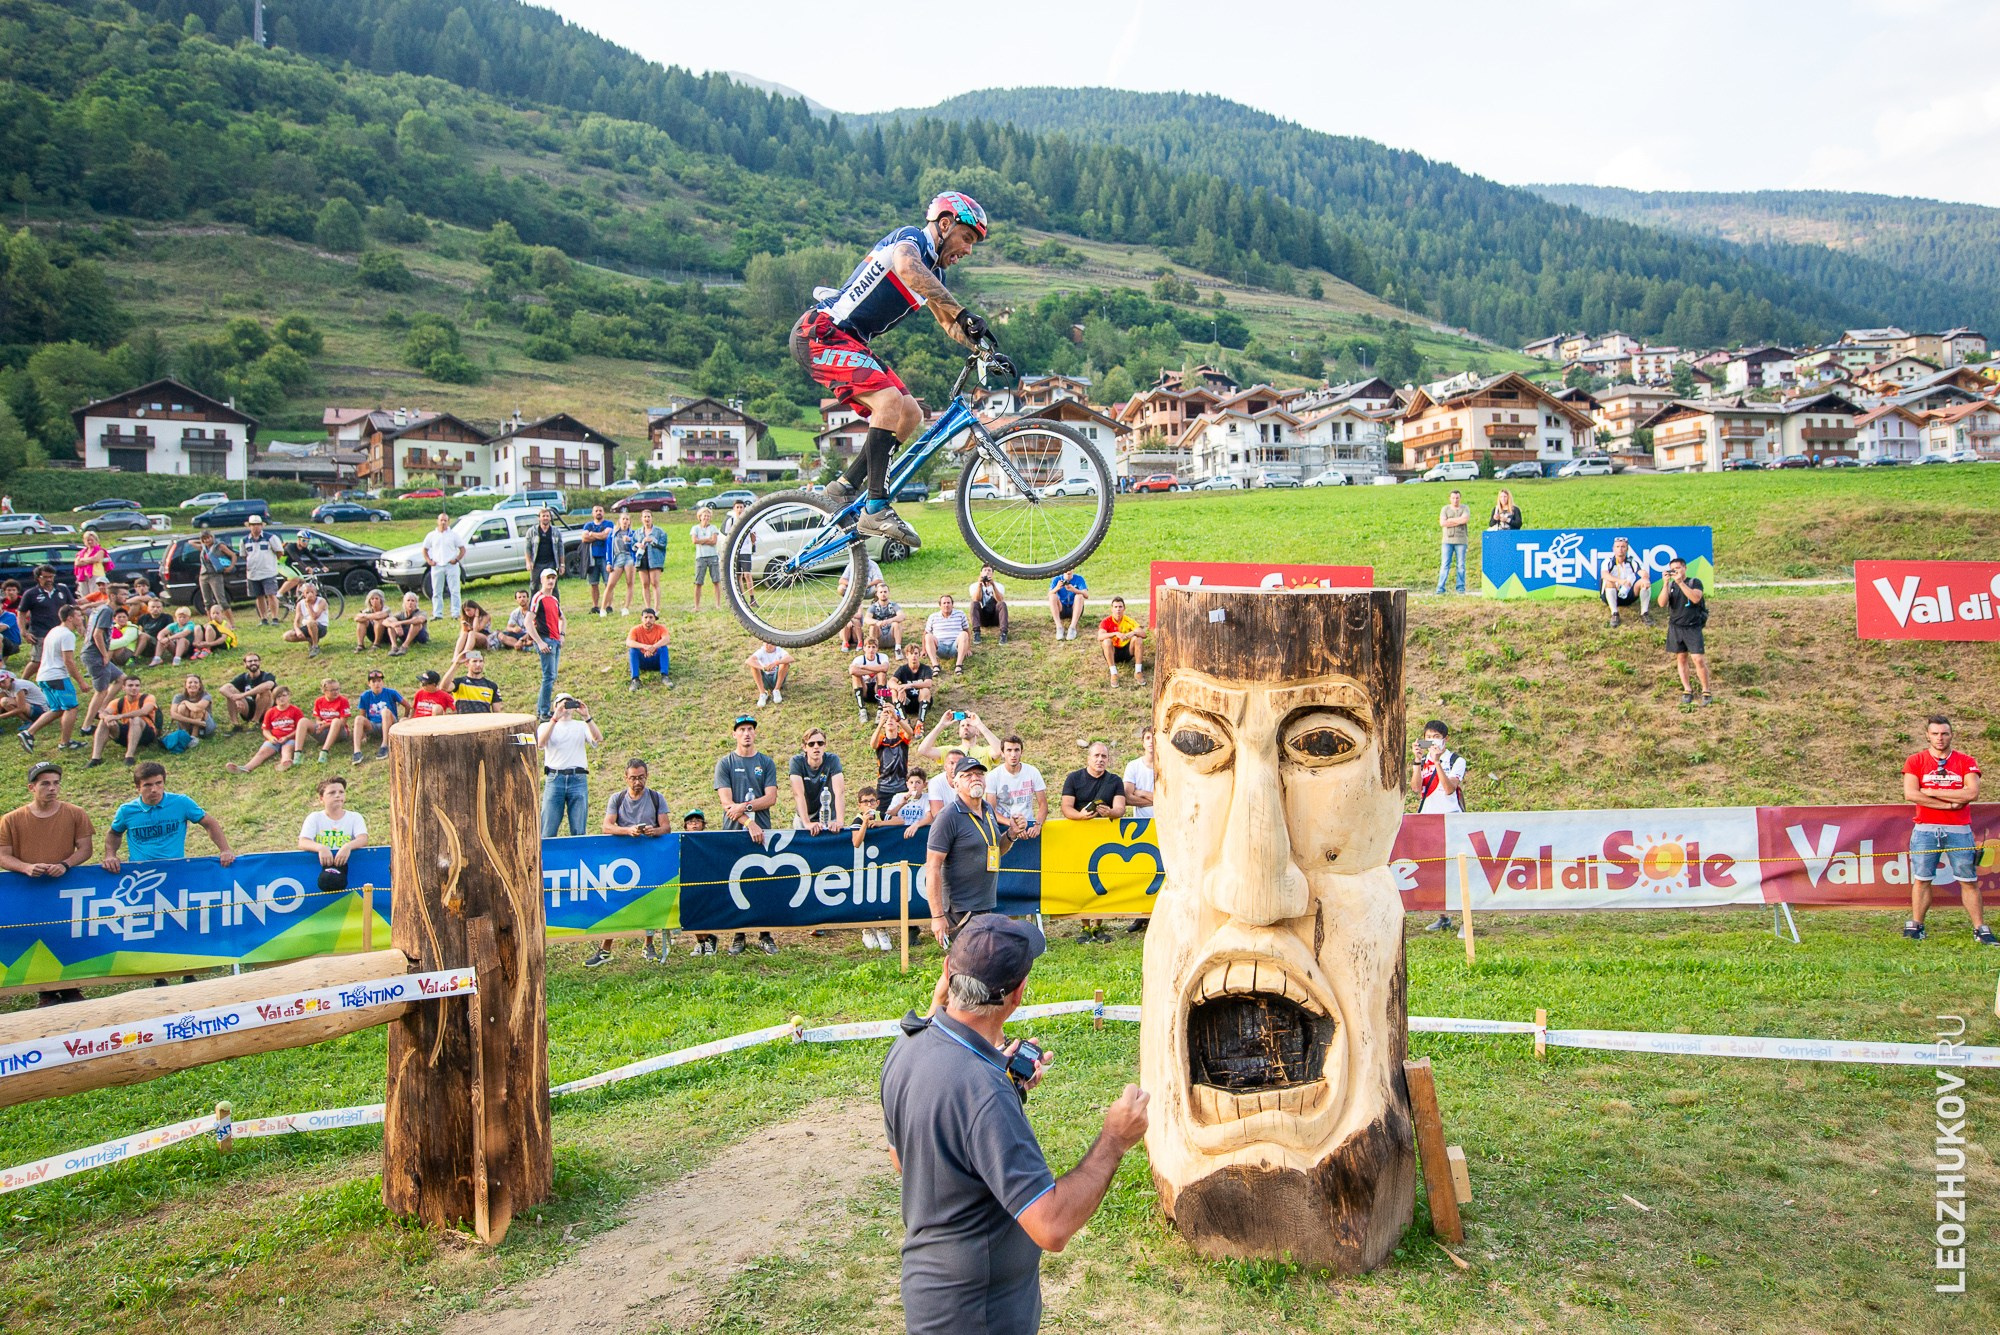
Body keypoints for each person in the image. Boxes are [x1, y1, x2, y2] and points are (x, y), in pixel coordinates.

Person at [880, 917, 1148, 1335]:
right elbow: (1051, 1226)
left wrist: (1002, 1078)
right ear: (1018, 994)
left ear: (948, 973)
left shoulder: (908, 1044)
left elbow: (905, 1160)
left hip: (933, 1296)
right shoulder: (984, 1092)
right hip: (980, 1315)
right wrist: (1114, 1139)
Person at [793, 189, 1007, 552]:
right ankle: (876, 507)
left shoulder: (933, 274)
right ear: (944, 224)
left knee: (909, 414)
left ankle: (842, 488)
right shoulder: (910, 242)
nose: (967, 250)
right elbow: (908, 268)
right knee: (888, 400)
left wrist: (985, 348)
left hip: (851, 341)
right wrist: (963, 312)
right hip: (821, 332)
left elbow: (950, 323)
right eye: (966, 238)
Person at [0, 761, 94, 1005]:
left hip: (66, 886)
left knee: (69, 934)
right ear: (32, 787)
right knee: (36, 937)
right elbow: (2, 854)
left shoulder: (75, 813)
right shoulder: (11, 820)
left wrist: (65, 864)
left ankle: (72, 986)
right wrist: (26, 867)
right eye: (45, 784)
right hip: (29, 889)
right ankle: (45, 990)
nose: (52, 788)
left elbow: (85, 848)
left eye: (56, 783)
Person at [1902, 716, 1990, 944]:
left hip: (1959, 829)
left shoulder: (1965, 761)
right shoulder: (1915, 760)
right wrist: (1948, 804)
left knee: (1968, 879)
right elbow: (1911, 793)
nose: (1940, 738)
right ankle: (1916, 925)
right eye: (1935, 734)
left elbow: (1971, 793)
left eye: (1944, 734)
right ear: (1927, 735)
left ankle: (1980, 928)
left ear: (1951, 735)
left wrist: (1930, 792)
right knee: (1922, 878)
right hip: (1925, 829)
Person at [924, 755, 1012, 944]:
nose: (975, 778)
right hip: (960, 909)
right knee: (965, 966)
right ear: (955, 783)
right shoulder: (948, 817)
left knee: (981, 965)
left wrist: (1011, 834)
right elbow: (932, 867)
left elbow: (995, 850)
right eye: (968, 775)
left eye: (979, 774)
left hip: (985, 903)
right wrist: (937, 917)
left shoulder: (988, 809)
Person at [594, 757, 672, 966]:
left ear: (646, 777)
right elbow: (607, 826)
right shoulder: (617, 799)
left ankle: (648, 945)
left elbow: (666, 827)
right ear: (625, 778)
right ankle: (605, 949)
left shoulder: (656, 798)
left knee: (648, 900)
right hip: (621, 860)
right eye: (633, 778)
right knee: (617, 902)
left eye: (641, 778)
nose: (638, 782)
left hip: (649, 856)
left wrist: (653, 831)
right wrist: (627, 831)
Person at [714, 714, 780, 956]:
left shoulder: (766, 762)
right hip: (734, 832)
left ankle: (765, 934)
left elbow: (771, 798)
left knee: (763, 883)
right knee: (735, 883)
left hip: (761, 831)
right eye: (742, 729)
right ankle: (738, 934)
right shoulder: (725, 763)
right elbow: (726, 803)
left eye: (750, 728)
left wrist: (746, 808)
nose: (746, 733)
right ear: (734, 734)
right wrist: (747, 820)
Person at [104, 760, 238, 871]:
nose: (154, 789)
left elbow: (209, 823)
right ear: (138, 787)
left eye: (158, 783)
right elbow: (114, 833)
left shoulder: (181, 803)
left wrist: (225, 849)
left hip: (175, 869)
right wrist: (110, 855)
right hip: (140, 872)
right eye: (147, 785)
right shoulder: (127, 811)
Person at [1061, 742, 1126, 943]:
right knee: (1082, 880)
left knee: (1102, 880)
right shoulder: (1073, 778)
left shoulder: (1115, 780)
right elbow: (1066, 807)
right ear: (1088, 758)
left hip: (1104, 838)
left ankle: (1099, 925)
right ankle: (1084, 926)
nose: (1100, 760)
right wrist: (1080, 816)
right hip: (1079, 835)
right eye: (1096, 756)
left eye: (1104, 757)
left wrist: (1110, 813)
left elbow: (1120, 809)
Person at [1415, 719, 1470, 933]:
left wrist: (1437, 762)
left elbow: (1449, 789)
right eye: (1428, 737)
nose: (1432, 741)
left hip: (1451, 820)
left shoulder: (1456, 760)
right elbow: (1415, 788)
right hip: (1428, 820)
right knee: (1435, 870)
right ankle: (1443, 916)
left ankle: (1466, 918)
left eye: (1436, 737)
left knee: (1457, 871)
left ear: (1445, 739)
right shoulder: (1423, 760)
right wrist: (1417, 761)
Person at [21, 602, 84, 752]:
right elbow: (68, 660)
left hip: (43, 676)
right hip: (57, 676)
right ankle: (65, 743)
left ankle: (28, 733)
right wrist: (81, 682)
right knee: (71, 708)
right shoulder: (67, 635)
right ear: (69, 618)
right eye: (79, 616)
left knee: (57, 709)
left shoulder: (54, 630)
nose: (81, 618)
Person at [538, 693, 601, 838]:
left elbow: (598, 739)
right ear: (555, 706)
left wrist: (587, 716)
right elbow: (541, 743)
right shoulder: (545, 726)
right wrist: (555, 718)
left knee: (579, 829)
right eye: (562, 704)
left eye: (569, 704)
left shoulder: (581, 726)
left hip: (577, 778)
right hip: (555, 777)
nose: (566, 708)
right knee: (548, 828)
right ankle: (546, 859)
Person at [299, 773, 367, 883]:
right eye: (332, 793)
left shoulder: (355, 817)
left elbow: (363, 839)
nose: (337, 795)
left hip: (348, 870)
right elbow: (303, 842)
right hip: (321, 870)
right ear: (322, 798)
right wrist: (321, 848)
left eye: (341, 792)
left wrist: (348, 847)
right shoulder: (314, 817)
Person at [1662, 556, 1712, 706]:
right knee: (1681, 658)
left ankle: (1706, 690)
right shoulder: (1671, 585)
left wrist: (1680, 583)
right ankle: (1687, 689)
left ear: (1685, 568)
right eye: (1673, 569)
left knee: (1698, 659)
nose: (1676, 571)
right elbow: (1662, 603)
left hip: (1692, 627)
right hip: (1676, 627)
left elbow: (1696, 598)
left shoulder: (1694, 582)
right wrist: (1665, 584)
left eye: (1678, 568)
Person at [76, 592, 126, 736]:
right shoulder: (107, 611)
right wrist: (105, 655)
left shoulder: (102, 609)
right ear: (112, 596)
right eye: (122, 594)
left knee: (121, 678)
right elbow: (97, 634)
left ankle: (101, 709)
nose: (126, 597)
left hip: (95, 654)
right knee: (101, 691)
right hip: (95, 655)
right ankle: (86, 726)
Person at [88, 674, 157, 768]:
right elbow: (104, 713)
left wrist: (118, 716)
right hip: (127, 734)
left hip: (146, 734)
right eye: (130, 685)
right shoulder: (117, 702)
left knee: (135, 719)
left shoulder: (148, 698)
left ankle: (129, 756)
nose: (134, 688)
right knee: (104, 721)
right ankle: (96, 758)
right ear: (123, 688)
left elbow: (144, 711)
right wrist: (106, 718)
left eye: (137, 685)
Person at [989, 735, 1048, 843]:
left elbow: (1043, 804)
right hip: (1003, 827)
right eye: (1009, 750)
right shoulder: (993, 776)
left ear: (1022, 752)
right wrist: (1012, 825)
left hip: (1028, 828)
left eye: (1016, 750)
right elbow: (990, 810)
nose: (1013, 754)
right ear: (1002, 753)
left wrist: (1038, 825)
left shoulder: (1032, 771)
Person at [18, 565, 74, 674]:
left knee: (59, 659)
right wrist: (24, 632)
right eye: (45, 577)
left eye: (51, 577)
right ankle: (22, 682)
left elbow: (72, 607)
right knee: (37, 661)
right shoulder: (31, 593)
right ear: (38, 578)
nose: (49, 580)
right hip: (40, 632)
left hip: (59, 631)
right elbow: (21, 613)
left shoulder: (62, 589)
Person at [790, 727, 846, 833]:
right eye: (811, 744)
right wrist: (807, 823)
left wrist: (840, 821)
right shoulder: (796, 762)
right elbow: (798, 794)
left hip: (828, 817)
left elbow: (840, 792)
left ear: (825, 745)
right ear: (804, 747)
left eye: (820, 743)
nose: (816, 747)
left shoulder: (833, 760)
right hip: (804, 818)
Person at [528, 569, 564, 719]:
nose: (551, 581)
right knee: (548, 676)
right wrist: (539, 642)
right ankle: (543, 711)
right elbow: (528, 621)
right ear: (542, 580)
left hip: (554, 640)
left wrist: (561, 634)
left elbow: (562, 618)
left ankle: (543, 709)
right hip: (546, 639)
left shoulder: (554, 599)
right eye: (548, 578)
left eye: (553, 578)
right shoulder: (538, 598)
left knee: (551, 676)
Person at [302, 677, 359, 766]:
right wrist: (319, 724)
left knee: (336, 721)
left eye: (337, 689)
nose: (336, 692)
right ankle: (297, 753)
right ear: (324, 691)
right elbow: (317, 718)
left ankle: (324, 751)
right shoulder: (319, 701)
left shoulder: (343, 700)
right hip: (323, 731)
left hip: (339, 732)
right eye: (332, 690)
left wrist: (325, 726)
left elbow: (342, 722)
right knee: (303, 721)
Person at [240, 516, 284, 627]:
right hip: (253, 573)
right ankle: (263, 618)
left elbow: (279, 552)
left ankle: (275, 618)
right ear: (249, 526)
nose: (256, 527)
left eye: (258, 524)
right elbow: (244, 555)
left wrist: (270, 562)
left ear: (261, 525)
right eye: (253, 525)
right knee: (259, 596)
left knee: (271, 595)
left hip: (268, 571)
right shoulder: (244, 540)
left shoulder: (270, 538)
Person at [873, 700, 918, 811]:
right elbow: (872, 744)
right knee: (882, 816)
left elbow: (910, 733)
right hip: (884, 787)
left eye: (892, 718)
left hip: (901, 785)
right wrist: (880, 724)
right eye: (887, 719)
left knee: (902, 815)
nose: (890, 721)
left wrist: (896, 716)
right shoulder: (881, 739)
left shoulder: (902, 738)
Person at [1599, 535, 1652, 628]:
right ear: (1613, 549)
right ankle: (1614, 614)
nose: (1620, 549)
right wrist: (1620, 581)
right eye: (1617, 547)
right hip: (1611, 594)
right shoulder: (1608, 561)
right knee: (1608, 582)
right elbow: (1604, 575)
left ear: (1627, 549)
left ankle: (1645, 613)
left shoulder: (1632, 562)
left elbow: (1642, 572)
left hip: (1628, 594)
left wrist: (1645, 577)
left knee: (1644, 583)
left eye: (1623, 547)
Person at [194, 530, 238, 629]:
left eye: (208, 538)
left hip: (215, 575)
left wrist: (231, 566)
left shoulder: (219, 546)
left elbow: (233, 555)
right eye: (204, 539)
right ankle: (212, 623)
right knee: (207, 601)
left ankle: (232, 624)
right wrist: (201, 542)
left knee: (221, 599)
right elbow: (190, 543)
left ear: (212, 537)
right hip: (204, 575)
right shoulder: (203, 548)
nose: (207, 540)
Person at [355, 667, 402, 760]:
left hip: (390, 723)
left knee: (385, 712)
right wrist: (363, 733)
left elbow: (407, 706)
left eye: (379, 681)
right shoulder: (365, 696)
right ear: (369, 684)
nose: (377, 684)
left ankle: (385, 745)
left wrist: (403, 719)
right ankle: (357, 751)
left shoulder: (391, 692)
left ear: (382, 682)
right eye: (374, 681)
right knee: (358, 719)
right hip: (374, 724)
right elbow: (362, 714)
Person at [222, 652, 277, 732]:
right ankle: (235, 725)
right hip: (248, 709)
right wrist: (235, 699)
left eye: (255, 660)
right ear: (245, 664)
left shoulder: (267, 675)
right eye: (250, 661)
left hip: (266, 710)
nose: (253, 663)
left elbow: (268, 685)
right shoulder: (243, 677)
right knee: (230, 693)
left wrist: (242, 695)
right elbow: (223, 688)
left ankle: (255, 721)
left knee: (265, 691)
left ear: (259, 662)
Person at [1096, 596, 1145, 682]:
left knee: (1138, 639)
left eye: (1120, 607)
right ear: (1112, 609)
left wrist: (1133, 633)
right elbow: (1100, 637)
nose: (1118, 609)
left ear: (1124, 608)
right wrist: (1115, 634)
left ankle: (1138, 671)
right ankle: (1113, 673)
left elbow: (1143, 634)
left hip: (1127, 651)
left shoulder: (1129, 620)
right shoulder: (1106, 621)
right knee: (1106, 641)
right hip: (1113, 652)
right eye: (1115, 607)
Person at [578, 505, 614, 617]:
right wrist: (600, 535)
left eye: (600, 511)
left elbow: (606, 536)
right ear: (593, 513)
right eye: (596, 511)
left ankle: (608, 606)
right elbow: (584, 538)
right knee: (594, 584)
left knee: (608, 583)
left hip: (605, 557)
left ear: (604, 512)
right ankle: (595, 606)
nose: (598, 512)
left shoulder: (609, 524)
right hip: (592, 558)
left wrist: (592, 534)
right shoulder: (588, 525)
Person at [924, 594, 973, 675]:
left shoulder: (960, 614)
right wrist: (923, 650)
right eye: (944, 603)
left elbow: (967, 631)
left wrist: (968, 648)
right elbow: (925, 633)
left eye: (948, 603)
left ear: (952, 604)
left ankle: (959, 665)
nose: (946, 605)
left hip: (955, 647)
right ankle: (935, 666)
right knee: (928, 636)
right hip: (940, 647)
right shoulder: (933, 617)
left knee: (964, 634)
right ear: (940, 605)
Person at [849, 637, 894, 723]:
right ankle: (862, 709)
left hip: (878, 689)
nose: (871, 650)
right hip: (864, 688)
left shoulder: (882, 657)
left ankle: (881, 709)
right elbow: (852, 671)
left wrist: (864, 667)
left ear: (877, 648)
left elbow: (885, 668)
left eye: (873, 647)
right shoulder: (859, 659)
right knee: (855, 676)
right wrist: (875, 669)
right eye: (869, 647)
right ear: (864, 648)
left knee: (881, 674)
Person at [1436, 488, 1471, 595]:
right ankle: (1440, 588)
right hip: (1447, 540)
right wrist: (1457, 521)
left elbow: (1464, 519)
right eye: (1453, 498)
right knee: (1445, 564)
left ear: (1460, 498)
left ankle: (1460, 588)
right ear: (1450, 499)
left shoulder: (1465, 508)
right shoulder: (1445, 509)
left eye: (1457, 498)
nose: (1455, 500)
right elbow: (1443, 523)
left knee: (1461, 565)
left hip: (1461, 540)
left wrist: (1450, 520)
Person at [626, 608, 671, 690]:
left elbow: (667, 639)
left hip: (657, 661)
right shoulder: (635, 629)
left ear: (655, 619)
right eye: (646, 617)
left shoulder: (661, 628)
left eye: (651, 617)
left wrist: (653, 647)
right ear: (642, 619)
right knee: (633, 650)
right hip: (643, 661)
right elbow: (629, 642)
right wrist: (645, 646)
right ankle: (635, 679)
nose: (648, 620)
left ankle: (665, 676)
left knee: (663, 648)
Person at [283, 579, 330, 658]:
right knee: (287, 636)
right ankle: (311, 640)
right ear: (304, 594)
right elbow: (297, 621)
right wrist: (298, 631)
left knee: (311, 622)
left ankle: (315, 646)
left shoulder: (321, 601)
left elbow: (314, 617)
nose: (310, 594)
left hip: (320, 626)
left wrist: (309, 605)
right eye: (307, 592)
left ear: (316, 593)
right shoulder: (300, 604)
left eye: (312, 592)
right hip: (307, 627)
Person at [893, 641, 936, 725]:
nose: (914, 656)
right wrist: (900, 689)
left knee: (925, 690)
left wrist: (909, 685)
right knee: (893, 691)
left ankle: (920, 724)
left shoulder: (925, 669)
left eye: (916, 653)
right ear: (907, 655)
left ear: (919, 655)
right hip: (906, 701)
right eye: (911, 653)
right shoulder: (902, 669)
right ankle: (904, 720)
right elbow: (891, 681)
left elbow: (928, 683)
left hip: (921, 701)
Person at [724, 499, 757, 606]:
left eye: (741, 507)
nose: (739, 509)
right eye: (737, 507)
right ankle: (741, 598)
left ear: (744, 508)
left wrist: (752, 544)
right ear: (734, 509)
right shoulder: (731, 521)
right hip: (735, 551)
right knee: (738, 575)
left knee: (747, 574)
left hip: (745, 550)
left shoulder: (748, 521)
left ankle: (752, 598)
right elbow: (727, 536)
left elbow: (753, 537)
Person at [524, 507, 566, 589]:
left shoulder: (556, 532)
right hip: (537, 564)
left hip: (551, 563)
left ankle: (554, 602)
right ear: (539, 518)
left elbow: (561, 549)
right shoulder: (532, 531)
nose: (545, 518)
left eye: (547, 516)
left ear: (550, 518)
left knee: (552, 587)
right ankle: (535, 602)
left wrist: (562, 565)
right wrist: (528, 562)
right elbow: (527, 548)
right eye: (543, 516)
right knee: (534, 586)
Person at [689, 506, 722, 610]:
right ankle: (697, 606)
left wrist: (701, 540)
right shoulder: (695, 528)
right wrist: (707, 539)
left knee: (716, 581)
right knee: (698, 582)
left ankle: (717, 605)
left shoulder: (713, 528)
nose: (706, 518)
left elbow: (714, 541)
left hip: (713, 556)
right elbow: (694, 541)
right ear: (700, 517)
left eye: (708, 516)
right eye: (704, 516)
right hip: (701, 557)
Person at [606, 511, 639, 616]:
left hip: (629, 558)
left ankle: (626, 607)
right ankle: (603, 608)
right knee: (611, 584)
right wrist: (608, 562)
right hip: (618, 558)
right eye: (623, 519)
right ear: (619, 521)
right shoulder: (613, 534)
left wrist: (630, 541)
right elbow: (609, 548)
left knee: (630, 583)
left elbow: (635, 548)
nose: (625, 521)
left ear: (629, 522)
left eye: (627, 519)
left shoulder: (633, 534)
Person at [167, 674, 216, 744]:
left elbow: (197, 708)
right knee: (181, 707)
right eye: (190, 682)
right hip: (192, 724)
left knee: (197, 710)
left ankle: (194, 737)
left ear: (200, 686)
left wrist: (186, 702)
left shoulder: (206, 695)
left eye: (196, 682)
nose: (193, 684)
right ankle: (185, 735)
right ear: (185, 686)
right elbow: (173, 714)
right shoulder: (178, 697)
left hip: (204, 726)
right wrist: (195, 721)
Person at [446, 601, 491, 675]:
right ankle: (456, 656)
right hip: (471, 639)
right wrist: (465, 627)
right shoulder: (466, 618)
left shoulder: (485, 616)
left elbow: (477, 629)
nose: (468, 613)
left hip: (485, 638)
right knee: (465, 633)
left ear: (475, 609)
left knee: (471, 633)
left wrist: (476, 616)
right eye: (465, 611)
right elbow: (462, 634)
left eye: (469, 610)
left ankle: (465, 654)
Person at [636, 509, 667, 613]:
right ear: (641, 519)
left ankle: (656, 608)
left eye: (648, 517)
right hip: (642, 559)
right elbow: (632, 544)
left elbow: (663, 544)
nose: (647, 519)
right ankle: (648, 607)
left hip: (655, 559)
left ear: (652, 518)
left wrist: (653, 541)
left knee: (654, 583)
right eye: (644, 517)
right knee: (645, 583)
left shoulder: (659, 531)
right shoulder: (638, 532)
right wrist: (637, 545)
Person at [967, 566, 1009, 644]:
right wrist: (980, 585)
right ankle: (976, 633)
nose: (987, 572)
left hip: (995, 616)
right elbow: (976, 599)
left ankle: (1003, 633)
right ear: (981, 573)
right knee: (974, 604)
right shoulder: (974, 586)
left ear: (993, 573)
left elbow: (999, 599)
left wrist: (993, 585)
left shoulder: (999, 586)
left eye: (989, 570)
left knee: (1002, 604)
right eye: (985, 570)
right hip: (982, 617)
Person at [746, 640, 793, 707]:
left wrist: (776, 663)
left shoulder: (779, 650)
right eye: (766, 643)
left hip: (777, 677)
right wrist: (763, 668)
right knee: (753, 666)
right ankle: (762, 693)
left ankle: (776, 690)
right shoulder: (761, 651)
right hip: (765, 679)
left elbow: (791, 658)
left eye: (770, 643)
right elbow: (748, 661)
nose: (768, 645)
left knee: (785, 663)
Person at [864, 580, 907, 652]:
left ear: (888, 593)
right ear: (877, 594)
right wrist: (877, 622)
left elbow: (902, 616)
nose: (883, 594)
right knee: (873, 626)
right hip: (878, 637)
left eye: (885, 592)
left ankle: (898, 649)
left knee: (896, 624)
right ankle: (873, 649)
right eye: (881, 592)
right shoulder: (873, 607)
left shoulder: (894, 605)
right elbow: (866, 619)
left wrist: (890, 620)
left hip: (892, 637)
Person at [383, 591, 430, 657]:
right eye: (408, 600)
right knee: (391, 625)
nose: (410, 603)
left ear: (416, 603)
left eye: (412, 601)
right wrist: (394, 625)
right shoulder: (401, 614)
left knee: (416, 623)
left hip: (420, 637)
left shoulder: (421, 612)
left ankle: (405, 646)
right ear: (404, 603)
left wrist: (400, 623)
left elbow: (420, 620)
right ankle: (394, 646)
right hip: (404, 635)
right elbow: (385, 621)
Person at [1048, 570, 1088, 641]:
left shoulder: (1079, 579)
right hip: (1061, 608)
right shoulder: (1057, 579)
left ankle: (1072, 628)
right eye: (1066, 568)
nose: (1068, 570)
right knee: (1052, 596)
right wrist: (1057, 588)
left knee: (1079, 596)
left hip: (1075, 609)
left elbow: (1086, 595)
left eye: (1070, 568)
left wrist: (1074, 590)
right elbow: (1049, 594)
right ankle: (1059, 627)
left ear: (1074, 569)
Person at [134, 597, 174, 666]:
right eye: (153, 607)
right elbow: (139, 631)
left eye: (158, 607)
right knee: (141, 635)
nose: (155, 609)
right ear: (148, 608)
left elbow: (170, 632)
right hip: (145, 643)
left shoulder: (167, 617)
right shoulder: (143, 618)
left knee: (144, 635)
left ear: (162, 608)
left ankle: (134, 657)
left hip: (159, 643)